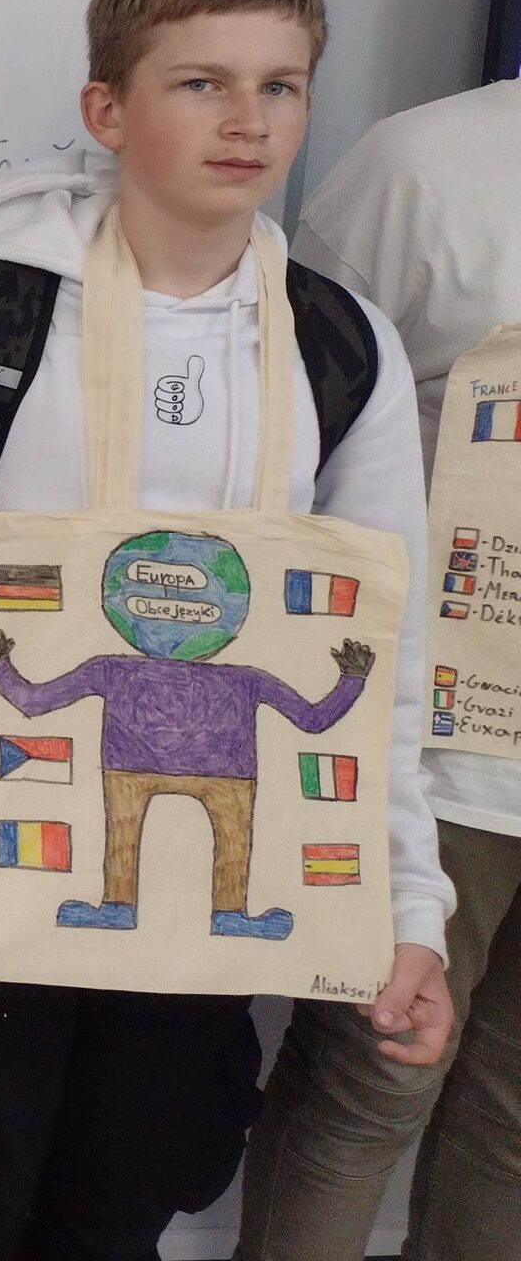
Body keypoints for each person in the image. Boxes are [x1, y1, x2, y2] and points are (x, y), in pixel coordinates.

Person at [0, 0, 455, 1260]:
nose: (247, 120)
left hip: (206, 909)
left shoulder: (342, 349)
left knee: (113, 1221)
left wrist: (409, 909)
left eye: (280, 85)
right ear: (106, 109)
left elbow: (372, 667)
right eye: (201, 83)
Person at [236, 72, 521, 1261]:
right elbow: (287, 435)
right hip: (441, 751)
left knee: (513, 1117)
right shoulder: (427, 165)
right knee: (366, 1087)